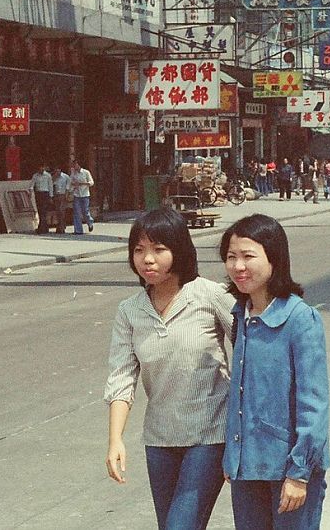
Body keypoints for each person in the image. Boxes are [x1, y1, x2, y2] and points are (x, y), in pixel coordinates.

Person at [104, 208, 235, 530]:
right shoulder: (130, 311)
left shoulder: (209, 295)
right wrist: (115, 440)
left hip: (210, 434)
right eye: (139, 250)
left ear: (179, 251)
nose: (148, 259)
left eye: (159, 249)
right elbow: (122, 378)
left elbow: (253, 351)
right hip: (160, 440)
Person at [219, 214, 330, 529]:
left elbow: (314, 403)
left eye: (248, 256)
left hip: (288, 470)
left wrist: (299, 473)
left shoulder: (299, 318)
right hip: (247, 468)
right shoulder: (241, 314)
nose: (238, 266)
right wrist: (233, 456)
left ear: (274, 260)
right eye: (231, 257)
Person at [70, 159, 94, 234]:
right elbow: (70, 182)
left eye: (75, 164)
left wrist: (83, 183)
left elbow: (91, 182)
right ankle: (78, 230)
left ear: (79, 165)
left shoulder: (86, 172)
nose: (74, 166)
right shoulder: (73, 173)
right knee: (76, 212)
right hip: (77, 194)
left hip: (85, 194)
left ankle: (90, 222)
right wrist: (73, 185)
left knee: (85, 211)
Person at [31, 164, 54, 234]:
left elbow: (50, 186)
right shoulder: (35, 176)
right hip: (38, 193)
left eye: (42, 168)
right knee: (40, 211)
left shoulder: (48, 176)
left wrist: (51, 196)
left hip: (45, 194)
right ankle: (44, 227)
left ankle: (42, 228)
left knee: (43, 211)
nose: (41, 169)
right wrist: (30, 191)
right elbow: (32, 185)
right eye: (40, 168)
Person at [51, 166, 71, 234]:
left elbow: (68, 187)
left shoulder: (66, 177)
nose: (58, 173)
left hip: (63, 195)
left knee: (62, 211)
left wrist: (67, 195)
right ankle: (60, 225)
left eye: (59, 171)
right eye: (56, 171)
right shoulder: (54, 177)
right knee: (58, 211)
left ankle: (61, 227)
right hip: (56, 195)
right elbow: (52, 186)